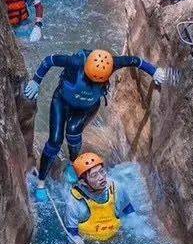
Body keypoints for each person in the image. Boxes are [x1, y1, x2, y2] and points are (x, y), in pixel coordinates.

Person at [23, 48, 172, 195]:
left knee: (73, 134)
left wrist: (154, 71)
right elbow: (49, 60)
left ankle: (72, 163)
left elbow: (135, 61)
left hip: (87, 107)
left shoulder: (112, 63)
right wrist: (36, 81)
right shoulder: (75, 62)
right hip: (62, 102)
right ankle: (41, 182)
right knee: (55, 141)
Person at [64, 152, 135, 243]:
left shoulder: (116, 188)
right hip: (89, 243)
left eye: (102, 171)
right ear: (83, 182)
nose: (101, 177)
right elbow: (71, 233)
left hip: (115, 238)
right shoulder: (75, 201)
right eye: (94, 175)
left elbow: (129, 212)